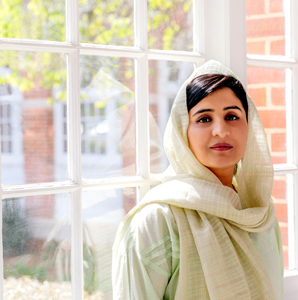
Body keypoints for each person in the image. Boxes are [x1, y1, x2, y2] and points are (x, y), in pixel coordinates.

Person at [112, 60, 284, 300]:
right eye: (204, 119)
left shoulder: (261, 213)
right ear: (183, 133)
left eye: (232, 116)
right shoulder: (159, 220)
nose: (221, 130)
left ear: (249, 126)